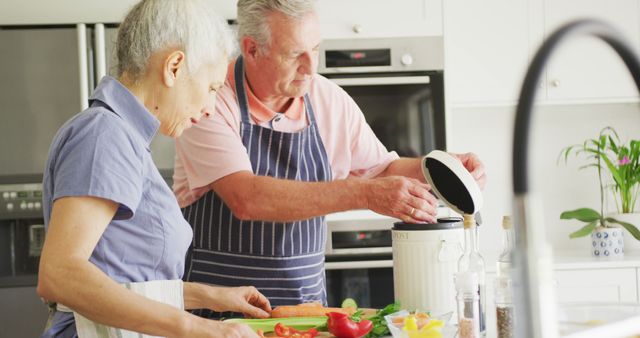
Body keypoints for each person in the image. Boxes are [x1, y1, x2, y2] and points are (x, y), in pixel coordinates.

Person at [173, 0, 486, 317]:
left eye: (316, 49)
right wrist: (363, 193)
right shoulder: (209, 99)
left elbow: (382, 170)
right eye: (296, 54)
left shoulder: (329, 100)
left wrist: (443, 168)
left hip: (305, 313)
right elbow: (247, 198)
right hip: (216, 320)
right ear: (252, 49)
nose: (311, 67)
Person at [37, 1, 271, 337]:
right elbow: (60, 273)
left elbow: (123, 280)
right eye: (212, 89)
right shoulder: (105, 135)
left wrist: (211, 296)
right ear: (174, 66)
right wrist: (201, 328)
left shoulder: (123, 137)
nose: (210, 109)